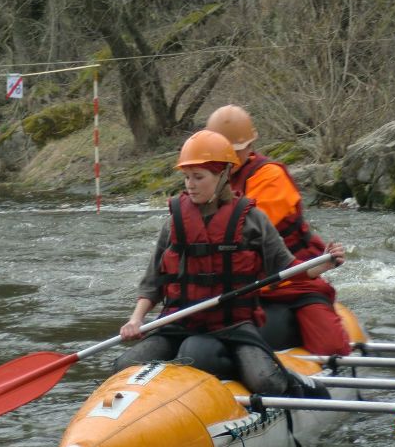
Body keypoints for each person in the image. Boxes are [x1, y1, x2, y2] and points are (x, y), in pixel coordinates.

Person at [112, 129, 345, 395]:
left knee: (265, 382)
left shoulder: (252, 219)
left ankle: (289, 380)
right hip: (179, 322)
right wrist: (136, 319)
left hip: (232, 326)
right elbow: (153, 281)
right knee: (124, 365)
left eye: (199, 177)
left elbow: (287, 268)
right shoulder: (174, 221)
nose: (190, 184)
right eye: (187, 177)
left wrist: (323, 264)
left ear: (223, 175)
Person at [206, 104, 351, 356]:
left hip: (294, 279)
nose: (233, 157)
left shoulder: (270, 176)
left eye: (239, 150)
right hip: (244, 288)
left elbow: (246, 231)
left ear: (251, 146)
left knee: (331, 347)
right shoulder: (206, 180)